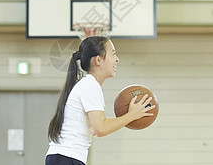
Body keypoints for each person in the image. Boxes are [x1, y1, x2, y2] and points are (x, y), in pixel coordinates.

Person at [45, 36, 155, 165]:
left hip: (64, 157)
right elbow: (101, 129)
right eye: (113, 54)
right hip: (66, 158)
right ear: (98, 60)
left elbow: (97, 129)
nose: (117, 59)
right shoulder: (90, 86)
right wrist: (131, 115)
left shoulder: (87, 85)